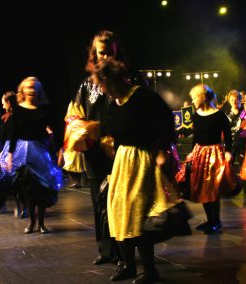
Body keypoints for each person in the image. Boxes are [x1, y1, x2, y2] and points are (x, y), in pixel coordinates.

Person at [93, 57, 180, 284]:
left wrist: (162, 150)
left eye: (102, 85)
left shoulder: (143, 97)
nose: (103, 91)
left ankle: (150, 271)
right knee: (117, 212)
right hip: (122, 162)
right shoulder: (114, 105)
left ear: (112, 81)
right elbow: (116, 134)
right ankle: (128, 265)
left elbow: (167, 121)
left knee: (137, 214)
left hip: (142, 160)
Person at [73, 30, 145, 266]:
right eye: (100, 52)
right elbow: (76, 114)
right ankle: (107, 250)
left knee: (126, 202)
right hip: (95, 153)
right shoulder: (87, 84)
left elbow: (144, 110)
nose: (104, 56)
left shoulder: (131, 77)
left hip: (125, 151)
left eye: (109, 52)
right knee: (100, 203)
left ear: (117, 52)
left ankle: (127, 254)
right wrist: (81, 129)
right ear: (94, 53)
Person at [0, 76, 63, 234]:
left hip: (41, 151)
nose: (31, 90)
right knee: (27, 189)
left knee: (41, 188)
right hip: (24, 154)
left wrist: (61, 149)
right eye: (28, 87)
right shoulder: (18, 110)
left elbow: (54, 128)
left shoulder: (44, 108)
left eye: (34, 87)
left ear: (39, 90)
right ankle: (31, 222)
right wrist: (10, 154)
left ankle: (41, 223)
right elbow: (14, 134)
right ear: (23, 90)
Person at [176, 84, 233, 235]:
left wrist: (228, 151)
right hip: (200, 153)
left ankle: (216, 221)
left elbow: (227, 134)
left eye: (194, 97)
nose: (193, 101)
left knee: (212, 189)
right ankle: (210, 220)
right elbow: (196, 136)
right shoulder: (196, 115)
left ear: (203, 97)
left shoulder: (219, 115)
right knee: (202, 188)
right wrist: (192, 152)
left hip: (214, 154)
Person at [0, 91, 28, 218]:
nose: (3, 106)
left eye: (4, 103)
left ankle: (23, 206)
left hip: (17, 148)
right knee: (13, 180)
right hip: (10, 147)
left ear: (9, 102)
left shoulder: (18, 115)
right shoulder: (6, 117)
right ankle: (19, 205)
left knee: (19, 179)